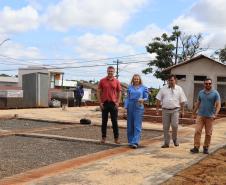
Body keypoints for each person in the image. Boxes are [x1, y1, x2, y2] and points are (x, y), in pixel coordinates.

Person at [190, 78, 221, 154]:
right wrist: (193, 113)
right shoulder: (201, 93)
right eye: (206, 83)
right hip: (200, 115)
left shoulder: (215, 93)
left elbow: (218, 105)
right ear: (204, 84)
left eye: (209, 83)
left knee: (208, 133)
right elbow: (198, 103)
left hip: (210, 116)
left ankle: (206, 147)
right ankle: (196, 147)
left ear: (211, 84)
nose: (208, 85)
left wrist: (215, 114)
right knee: (197, 131)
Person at [156, 75, 187, 148]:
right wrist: (157, 109)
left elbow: (182, 101)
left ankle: (175, 139)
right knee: (165, 127)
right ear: (167, 81)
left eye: (172, 80)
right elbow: (158, 99)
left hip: (175, 110)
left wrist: (182, 111)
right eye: (169, 80)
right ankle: (166, 143)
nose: (171, 82)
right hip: (165, 110)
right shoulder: (163, 89)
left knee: (175, 125)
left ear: (175, 80)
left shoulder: (179, 89)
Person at [97, 66, 122, 144]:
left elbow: (119, 92)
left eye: (112, 71)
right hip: (104, 103)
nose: (110, 72)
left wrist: (118, 102)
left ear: (114, 72)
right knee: (104, 121)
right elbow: (98, 91)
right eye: (109, 71)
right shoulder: (102, 81)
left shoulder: (117, 81)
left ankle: (116, 139)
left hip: (113, 104)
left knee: (114, 121)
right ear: (107, 71)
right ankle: (103, 138)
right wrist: (100, 102)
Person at [124, 74, 148, 149]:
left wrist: (143, 100)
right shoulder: (129, 87)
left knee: (137, 125)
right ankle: (131, 141)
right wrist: (125, 107)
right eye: (135, 79)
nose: (136, 80)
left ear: (139, 79)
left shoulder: (144, 88)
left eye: (137, 79)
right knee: (130, 125)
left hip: (139, 106)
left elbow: (146, 97)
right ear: (133, 80)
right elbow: (127, 98)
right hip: (130, 105)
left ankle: (135, 142)